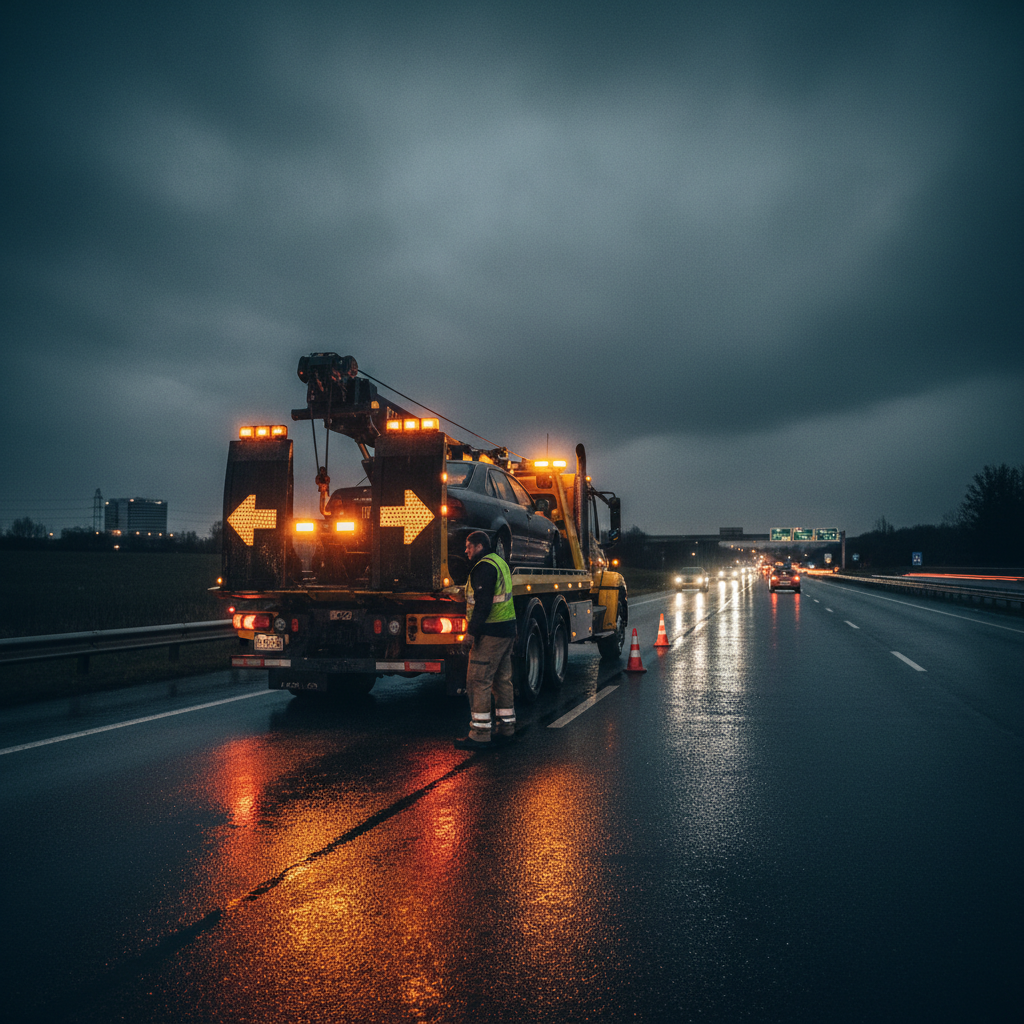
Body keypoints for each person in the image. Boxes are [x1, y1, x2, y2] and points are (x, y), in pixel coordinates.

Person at [455, 531, 517, 750]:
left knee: (478, 680)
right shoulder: (499, 562)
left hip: (491, 634)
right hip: (506, 630)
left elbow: (483, 604)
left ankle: (480, 733)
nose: (466, 550)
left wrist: (471, 633)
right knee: (502, 680)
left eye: (468, 546)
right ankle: (506, 728)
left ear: (479, 546)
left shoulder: (483, 567)